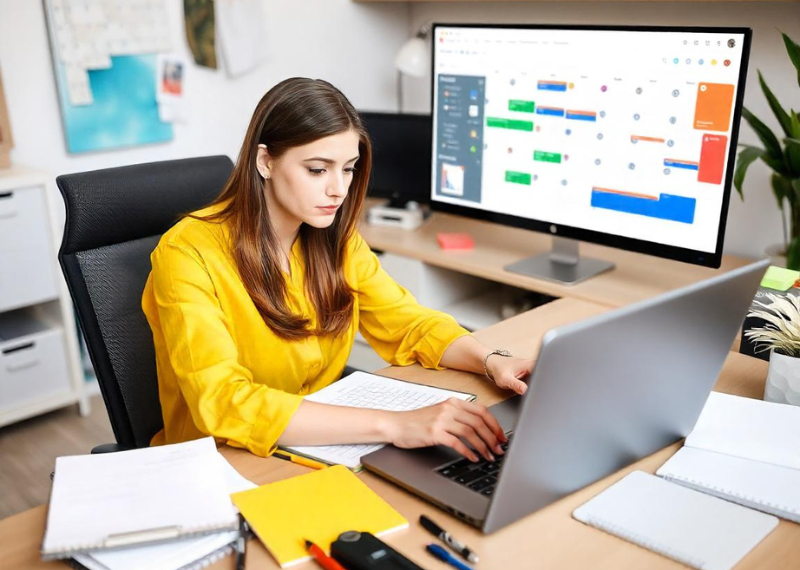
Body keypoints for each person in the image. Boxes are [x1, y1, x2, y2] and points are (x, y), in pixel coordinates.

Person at [142, 77, 535, 463]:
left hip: (320, 446)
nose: (338, 189)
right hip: (222, 463)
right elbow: (225, 402)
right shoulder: (187, 253)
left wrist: (491, 360)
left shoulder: (333, 238)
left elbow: (410, 325)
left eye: (348, 168)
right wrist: (396, 425)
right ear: (265, 161)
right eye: (317, 170)